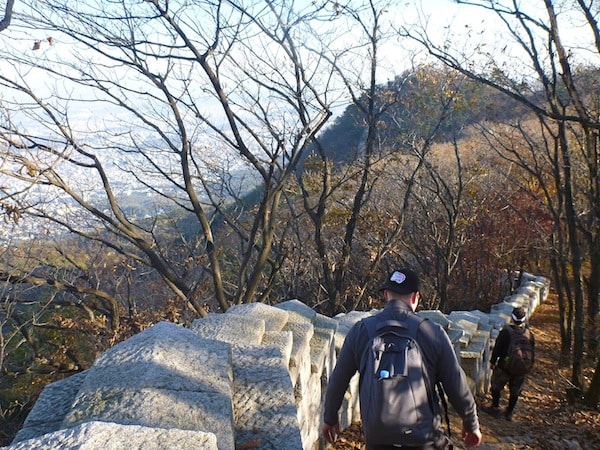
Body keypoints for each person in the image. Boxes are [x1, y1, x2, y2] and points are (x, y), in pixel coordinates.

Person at [322, 267, 482, 449]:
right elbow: (456, 384)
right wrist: (471, 424)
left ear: (386, 294)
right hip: (424, 439)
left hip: (377, 438)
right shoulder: (431, 332)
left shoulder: (361, 331)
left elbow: (338, 380)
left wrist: (330, 418)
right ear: (415, 298)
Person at [483, 306, 535, 421]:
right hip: (522, 368)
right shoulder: (529, 334)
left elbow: (497, 348)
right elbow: (532, 351)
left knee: (496, 386)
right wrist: (529, 366)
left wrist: (492, 361)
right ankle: (509, 412)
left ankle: (495, 407)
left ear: (512, 318)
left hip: (505, 364)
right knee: (515, 391)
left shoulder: (506, 332)